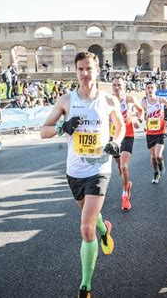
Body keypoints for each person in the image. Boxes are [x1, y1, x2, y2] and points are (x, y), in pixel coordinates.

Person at [40, 51, 125, 297]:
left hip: (99, 168)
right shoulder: (66, 100)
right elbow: (42, 131)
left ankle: (85, 286)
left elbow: (119, 127)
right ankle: (105, 229)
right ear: (75, 72)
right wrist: (62, 127)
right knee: (92, 219)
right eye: (80, 69)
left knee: (86, 228)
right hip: (74, 172)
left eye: (89, 69)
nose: (85, 74)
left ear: (98, 71)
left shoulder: (109, 101)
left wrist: (116, 143)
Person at [111, 75, 144, 211]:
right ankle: (126, 184)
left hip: (128, 135)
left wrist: (139, 121)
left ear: (124, 87)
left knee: (124, 166)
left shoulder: (129, 99)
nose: (117, 87)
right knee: (119, 167)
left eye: (120, 85)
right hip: (114, 138)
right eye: (115, 85)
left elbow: (141, 111)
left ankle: (125, 195)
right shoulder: (108, 101)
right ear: (111, 87)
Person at [142, 82, 167, 184]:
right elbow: (145, 114)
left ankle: (161, 164)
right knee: (152, 157)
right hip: (150, 132)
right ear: (146, 90)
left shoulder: (161, 100)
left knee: (158, 156)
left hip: (160, 131)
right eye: (148, 88)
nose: (150, 89)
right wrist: (145, 124)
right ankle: (156, 173)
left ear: (155, 90)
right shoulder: (144, 102)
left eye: (152, 87)